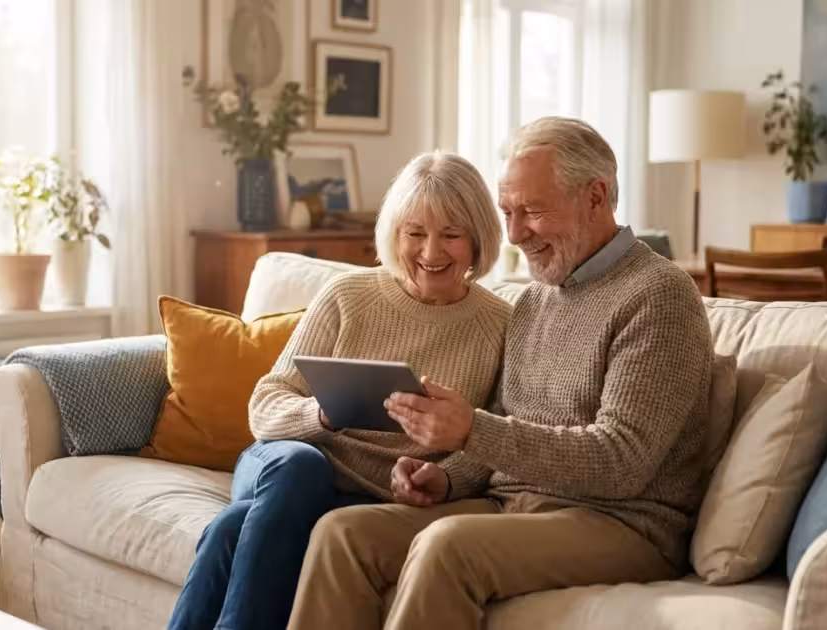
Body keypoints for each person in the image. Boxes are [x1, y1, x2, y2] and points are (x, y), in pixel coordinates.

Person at [287, 116, 715, 630]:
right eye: (507, 212)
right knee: (342, 535)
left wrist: (471, 428)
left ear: (596, 197)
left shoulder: (659, 295)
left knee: (446, 547)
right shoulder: (534, 300)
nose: (515, 234)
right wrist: (445, 478)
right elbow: (507, 434)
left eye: (532, 212)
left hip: (624, 523)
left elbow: (622, 460)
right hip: (514, 504)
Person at [165, 151, 512, 630]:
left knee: (230, 529)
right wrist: (321, 415)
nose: (431, 253)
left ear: (478, 240)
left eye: (451, 235)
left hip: (370, 496)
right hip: (282, 464)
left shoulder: (501, 325)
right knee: (301, 467)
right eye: (415, 233)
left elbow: (495, 441)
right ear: (395, 235)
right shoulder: (348, 297)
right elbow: (266, 404)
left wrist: (445, 478)